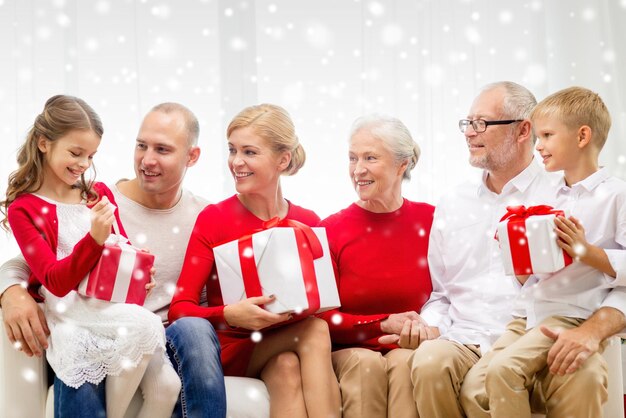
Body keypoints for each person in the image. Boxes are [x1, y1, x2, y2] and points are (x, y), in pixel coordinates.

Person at [406, 81, 626, 418]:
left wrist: (592, 330)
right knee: (434, 365)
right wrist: (429, 326)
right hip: (473, 335)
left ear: (523, 130)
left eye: (480, 123)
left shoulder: (560, 191)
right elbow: (443, 293)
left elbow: (602, 277)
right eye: (467, 123)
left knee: (582, 375)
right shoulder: (453, 203)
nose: (469, 133)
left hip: (550, 324)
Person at [0, 102, 227, 418]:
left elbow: (125, 252)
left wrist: (138, 274)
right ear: (44, 144)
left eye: (162, 149)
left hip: (157, 330)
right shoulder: (103, 197)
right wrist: (9, 293)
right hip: (85, 316)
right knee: (84, 348)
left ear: (192, 156)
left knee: (185, 346)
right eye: (141, 146)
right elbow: (32, 265)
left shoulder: (206, 216)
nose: (147, 160)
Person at [168, 103, 342, 418]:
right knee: (314, 331)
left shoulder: (308, 222)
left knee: (287, 367)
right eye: (232, 150)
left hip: (280, 345)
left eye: (249, 152)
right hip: (231, 345)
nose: (236, 162)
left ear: (283, 159)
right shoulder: (215, 218)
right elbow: (180, 309)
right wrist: (230, 315)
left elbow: (326, 306)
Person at [317, 114, 434, 418]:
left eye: (370, 158)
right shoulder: (330, 230)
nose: (358, 170)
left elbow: (454, 295)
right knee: (364, 365)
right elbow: (322, 319)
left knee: (406, 362)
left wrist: (429, 331)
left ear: (401, 165)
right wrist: (382, 323)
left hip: (409, 349)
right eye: (353, 158)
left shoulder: (433, 221)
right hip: (352, 352)